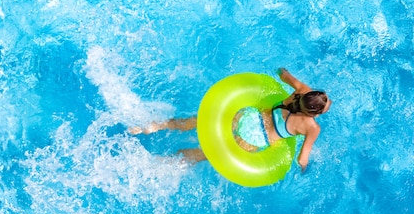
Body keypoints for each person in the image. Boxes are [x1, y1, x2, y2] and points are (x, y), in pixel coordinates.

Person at [129, 68, 332, 171]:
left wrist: (281, 70)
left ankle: (158, 125)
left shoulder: (301, 90)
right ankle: (165, 163)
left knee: (198, 122)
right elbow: (302, 158)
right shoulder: (312, 128)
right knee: (208, 152)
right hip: (254, 140)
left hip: (248, 117)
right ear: (314, 114)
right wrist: (304, 168)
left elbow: (283, 73)